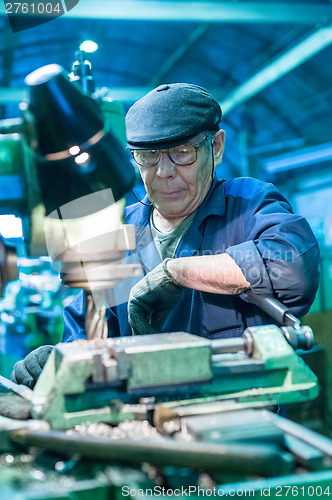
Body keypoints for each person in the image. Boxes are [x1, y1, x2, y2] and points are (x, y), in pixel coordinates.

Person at [11, 83, 319, 387]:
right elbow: (89, 330)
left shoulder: (247, 205)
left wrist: (177, 272)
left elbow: (292, 270)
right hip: (148, 421)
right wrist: (60, 357)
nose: (164, 172)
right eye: (148, 157)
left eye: (182, 153)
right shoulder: (117, 233)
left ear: (217, 146)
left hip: (240, 418)